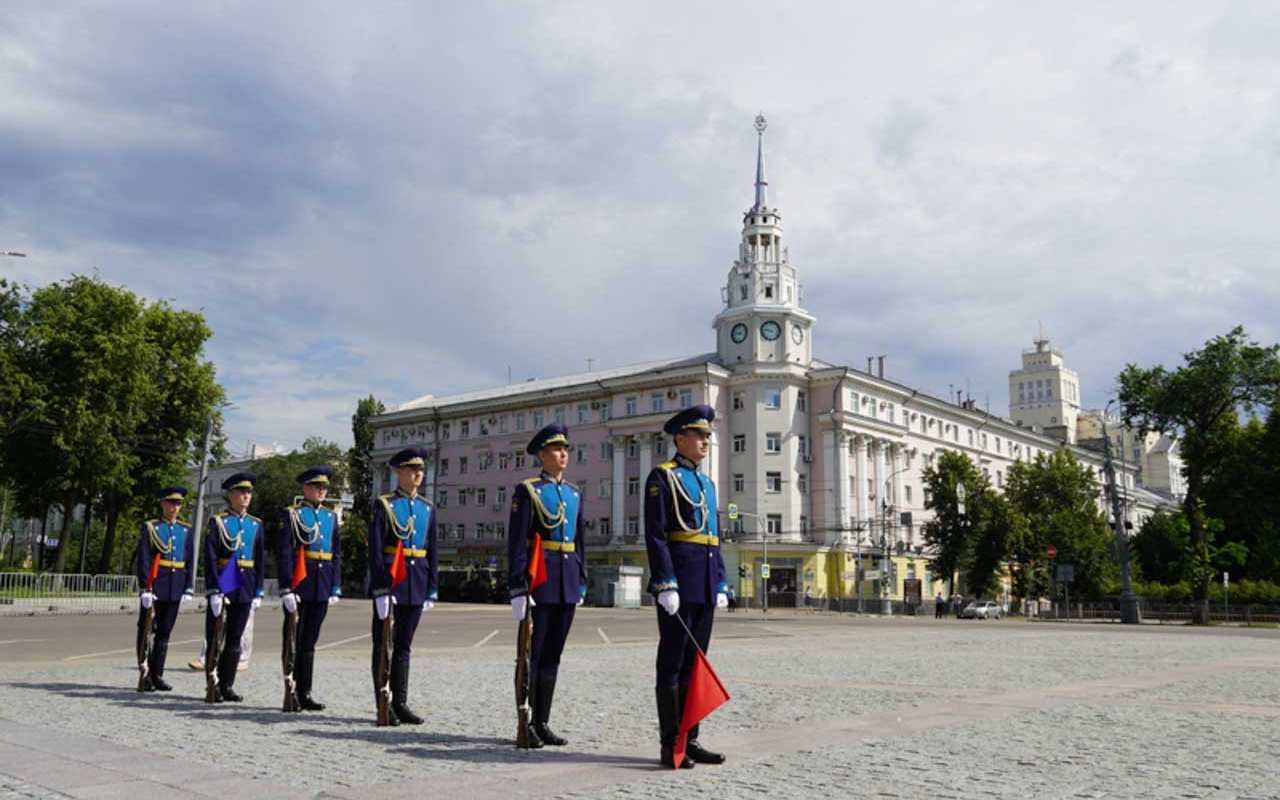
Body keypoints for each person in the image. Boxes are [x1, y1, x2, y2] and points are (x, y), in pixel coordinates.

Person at [645, 404, 728, 769]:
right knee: (673, 664)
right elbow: (656, 535)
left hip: (706, 583)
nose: (707, 440)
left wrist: (721, 582)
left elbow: (715, 537)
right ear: (680, 438)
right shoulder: (662, 477)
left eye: (709, 435)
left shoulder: (706, 483)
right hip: (679, 582)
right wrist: (665, 583)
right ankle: (670, 745)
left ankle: (691, 740)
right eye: (700, 434)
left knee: (696, 666)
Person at [507, 423, 587, 748]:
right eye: (556, 449)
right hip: (538, 582)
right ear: (542, 455)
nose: (564, 454)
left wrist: (581, 581)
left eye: (566, 449)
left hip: (566, 581)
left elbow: (580, 543)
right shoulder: (528, 491)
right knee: (533, 655)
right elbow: (517, 543)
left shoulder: (573, 494)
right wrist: (517, 587)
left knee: (553, 655)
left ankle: (543, 721)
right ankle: (526, 722)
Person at [368, 446, 438, 725]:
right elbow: (375, 550)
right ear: (399, 472)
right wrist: (380, 589)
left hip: (416, 581)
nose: (418, 474)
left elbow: (432, 549)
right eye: (411, 469)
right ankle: (383, 703)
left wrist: (432, 587)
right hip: (391, 582)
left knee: (404, 646)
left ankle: (401, 701)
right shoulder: (384, 505)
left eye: (420, 470)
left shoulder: (427, 507)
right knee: (383, 644)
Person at [277, 465, 343, 711]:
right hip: (300, 583)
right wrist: (286, 588)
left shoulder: (330, 517)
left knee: (310, 642)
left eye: (325, 487)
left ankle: (305, 692)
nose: (322, 491)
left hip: (322, 583)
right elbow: (285, 553)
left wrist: (335, 585)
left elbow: (336, 554)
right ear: (305, 488)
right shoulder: (292, 514)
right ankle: (291, 689)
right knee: (293, 639)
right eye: (317, 487)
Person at [203, 471, 265, 703]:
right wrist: (213, 590)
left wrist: (258, 590)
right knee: (216, 635)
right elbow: (210, 557)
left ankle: (227, 684)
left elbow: (259, 559)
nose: (246, 496)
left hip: (246, 582)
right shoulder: (218, 522)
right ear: (230, 495)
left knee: (235, 639)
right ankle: (213, 683)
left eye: (248, 492)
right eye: (241, 492)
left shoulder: (255, 524)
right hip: (225, 579)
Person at [135, 486, 195, 691]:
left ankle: (157, 674)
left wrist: (188, 587)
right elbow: (144, 558)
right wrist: (145, 587)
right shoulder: (152, 527)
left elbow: (188, 560)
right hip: (156, 584)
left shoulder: (185, 529)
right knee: (145, 631)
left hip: (175, 586)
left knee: (164, 634)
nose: (174, 507)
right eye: (171, 503)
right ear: (162, 504)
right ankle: (144, 673)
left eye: (178, 504)